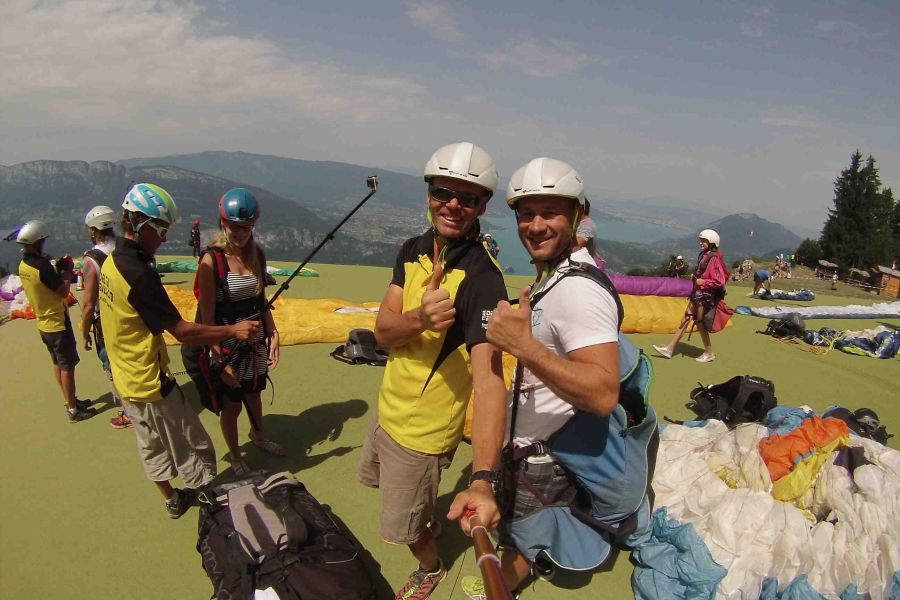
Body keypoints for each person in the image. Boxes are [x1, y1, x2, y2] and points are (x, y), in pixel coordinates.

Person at [448, 158, 624, 597]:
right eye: (527, 214)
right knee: (514, 525)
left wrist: (522, 346)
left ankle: (510, 579)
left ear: (577, 216)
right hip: (529, 447)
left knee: (524, 536)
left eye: (550, 213)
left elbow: (604, 394)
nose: (536, 225)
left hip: (546, 460)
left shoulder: (580, 290)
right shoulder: (556, 276)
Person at [357, 142, 508, 599]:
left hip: (422, 437)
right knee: (391, 494)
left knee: (402, 532)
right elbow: (383, 332)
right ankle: (425, 518)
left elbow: (490, 382)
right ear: (428, 194)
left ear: (483, 206)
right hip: (388, 415)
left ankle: (433, 566)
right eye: (444, 192)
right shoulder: (414, 249)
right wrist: (420, 320)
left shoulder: (483, 280)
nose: (454, 206)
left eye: (469, 198)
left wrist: (483, 477)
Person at [99, 183, 260, 519]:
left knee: (151, 445)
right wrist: (232, 330)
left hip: (124, 379)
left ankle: (173, 499)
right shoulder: (139, 275)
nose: (164, 239)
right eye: (161, 230)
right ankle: (211, 504)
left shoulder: (112, 263)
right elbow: (183, 331)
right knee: (195, 445)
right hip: (150, 380)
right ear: (140, 224)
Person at [197, 188, 282, 476]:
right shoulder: (211, 262)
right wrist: (218, 358)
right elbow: (207, 318)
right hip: (227, 342)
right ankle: (235, 455)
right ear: (223, 224)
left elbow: (260, 301)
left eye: (246, 227)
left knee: (255, 393)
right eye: (234, 227)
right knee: (232, 405)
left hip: (255, 339)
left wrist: (273, 333)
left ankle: (259, 437)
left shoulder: (257, 254)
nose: (241, 233)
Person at [16, 220, 96, 423]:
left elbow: (44, 282)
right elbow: (63, 291)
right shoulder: (42, 266)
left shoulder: (24, 264)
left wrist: (56, 272)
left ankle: (70, 400)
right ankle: (73, 410)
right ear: (36, 242)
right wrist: (67, 272)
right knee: (68, 366)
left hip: (43, 324)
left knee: (57, 363)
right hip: (57, 323)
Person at [80, 205, 131, 429]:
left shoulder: (93, 260)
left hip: (107, 322)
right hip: (131, 315)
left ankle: (129, 412)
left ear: (93, 230)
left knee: (112, 367)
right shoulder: (124, 248)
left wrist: (84, 332)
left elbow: (89, 303)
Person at [653, 229, 727, 363]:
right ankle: (670, 348)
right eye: (701, 241)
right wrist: (696, 277)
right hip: (698, 294)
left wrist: (703, 281)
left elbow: (719, 280)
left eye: (704, 241)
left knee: (698, 323)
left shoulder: (714, 258)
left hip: (704, 296)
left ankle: (709, 352)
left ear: (712, 243)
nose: (701, 243)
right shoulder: (705, 255)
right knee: (687, 318)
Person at [573, 198, 604, 269]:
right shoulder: (582, 224)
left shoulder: (587, 226)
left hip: (580, 268)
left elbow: (575, 247)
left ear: (580, 209)